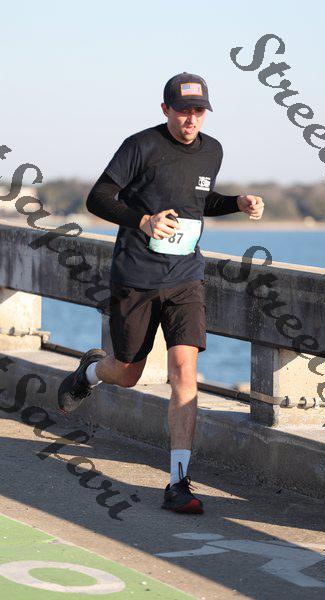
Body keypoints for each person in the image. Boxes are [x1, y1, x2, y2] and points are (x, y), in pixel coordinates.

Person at [58, 72, 264, 514]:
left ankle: (178, 482)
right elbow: (98, 197)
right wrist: (143, 221)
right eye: (183, 110)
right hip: (135, 276)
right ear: (165, 109)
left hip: (186, 276)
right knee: (127, 372)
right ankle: (90, 372)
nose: (191, 119)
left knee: (184, 370)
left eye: (198, 111)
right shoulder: (141, 146)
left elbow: (199, 202)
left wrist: (236, 202)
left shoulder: (213, 150)